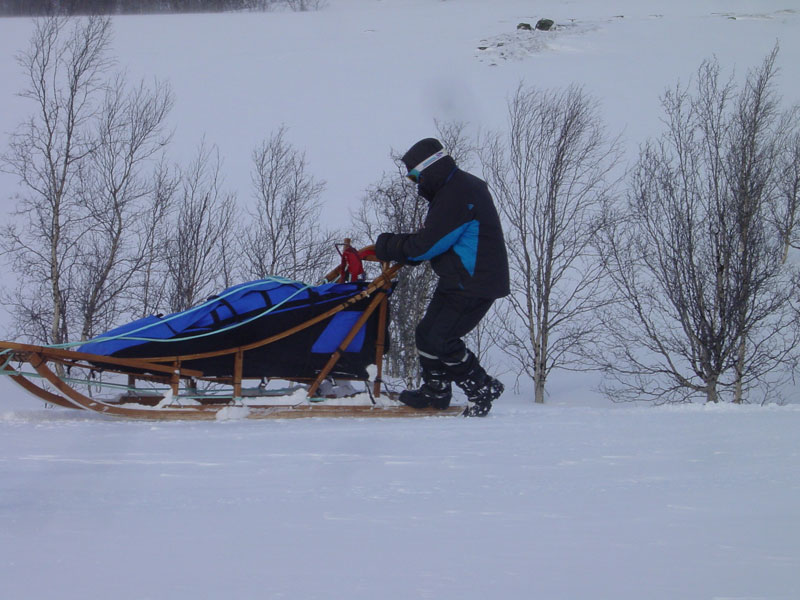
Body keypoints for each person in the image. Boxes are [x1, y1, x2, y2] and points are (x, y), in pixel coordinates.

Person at [374, 138, 510, 416]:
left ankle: (482, 387)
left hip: (473, 282)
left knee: (442, 339)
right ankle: (436, 390)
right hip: (459, 279)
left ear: (429, 169)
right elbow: (433, 240)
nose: (414, 183)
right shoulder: (457, 187)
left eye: (414, 176)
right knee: (427, 335)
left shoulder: (457, 194)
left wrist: (385, 245)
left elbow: (426, 245)